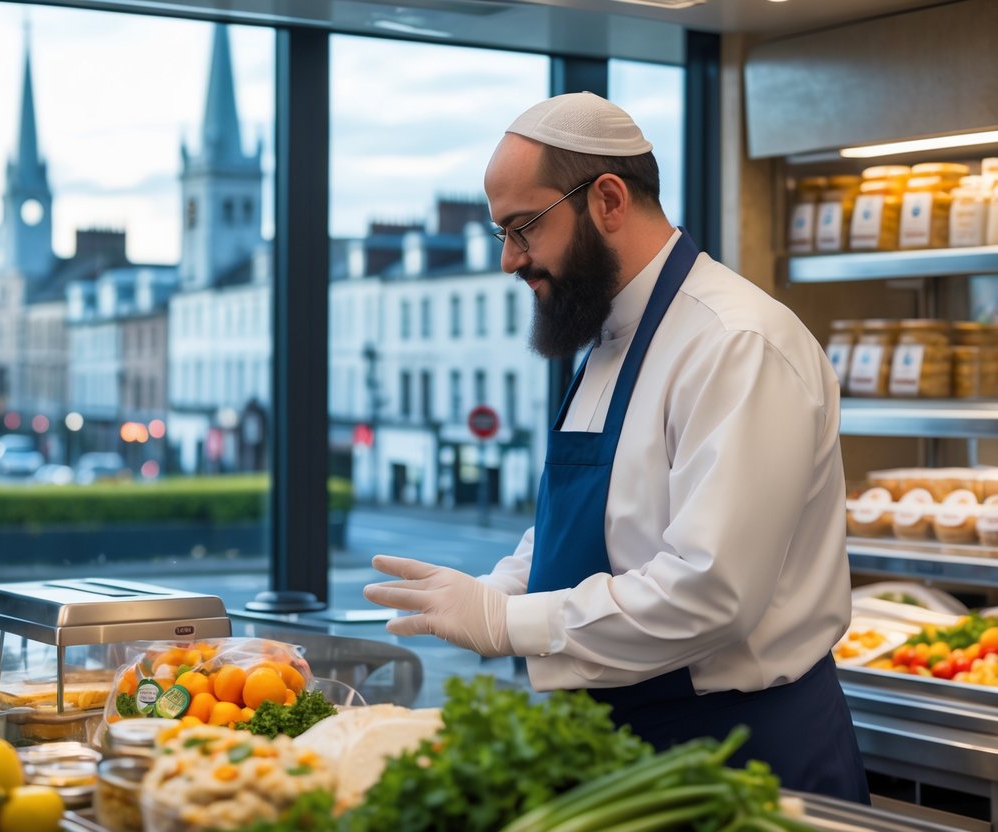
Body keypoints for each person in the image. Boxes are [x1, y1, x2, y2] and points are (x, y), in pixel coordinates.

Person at [362, 91, 869, 803]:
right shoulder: (609, 333)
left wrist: (509, 621)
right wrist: (495, 589)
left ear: (606, 200)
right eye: (499, 233)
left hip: (740, 754)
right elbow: (596, 522)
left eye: (523, 228)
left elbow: (710, 590)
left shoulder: (736, 342)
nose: (510, 260)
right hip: (624, 742)